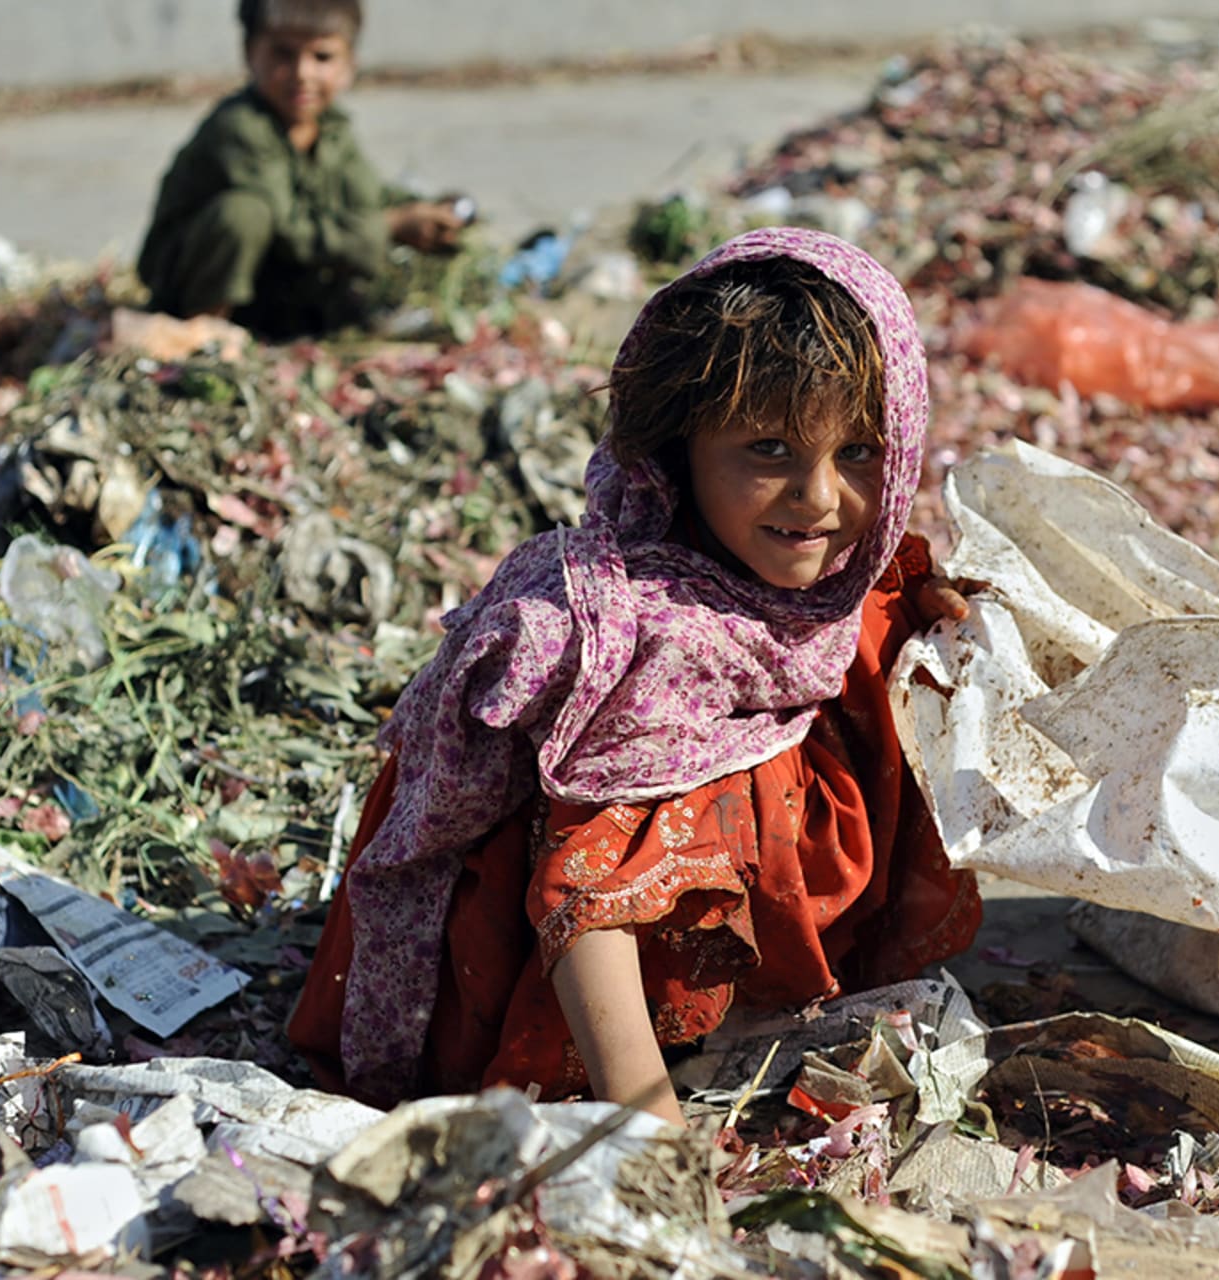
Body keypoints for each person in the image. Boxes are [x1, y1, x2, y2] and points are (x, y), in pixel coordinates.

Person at [288, 228, 982, 1124]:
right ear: (677, 445)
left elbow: (878, 589)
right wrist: (647, 1130)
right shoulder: (633, 633)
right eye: (768, 450)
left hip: (653, 935)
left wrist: (932, 602)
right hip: (530, 984)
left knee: (883, 637)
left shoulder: (827, 583)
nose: (818, 499)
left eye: (857, 454)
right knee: (705, 793)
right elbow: (586, 903)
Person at [136, 0, 466, 338]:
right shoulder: (239, 127)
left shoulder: (332, 128)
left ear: (349, 65)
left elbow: (366, 199)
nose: (302, 74)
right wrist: (391, 225)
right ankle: (203, 337)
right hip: (185, 286)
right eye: (283, 54)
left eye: (321, 57)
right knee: (245, 212)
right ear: (250, 54)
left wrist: (423, 216)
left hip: (274, 289)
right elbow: (292, 234)